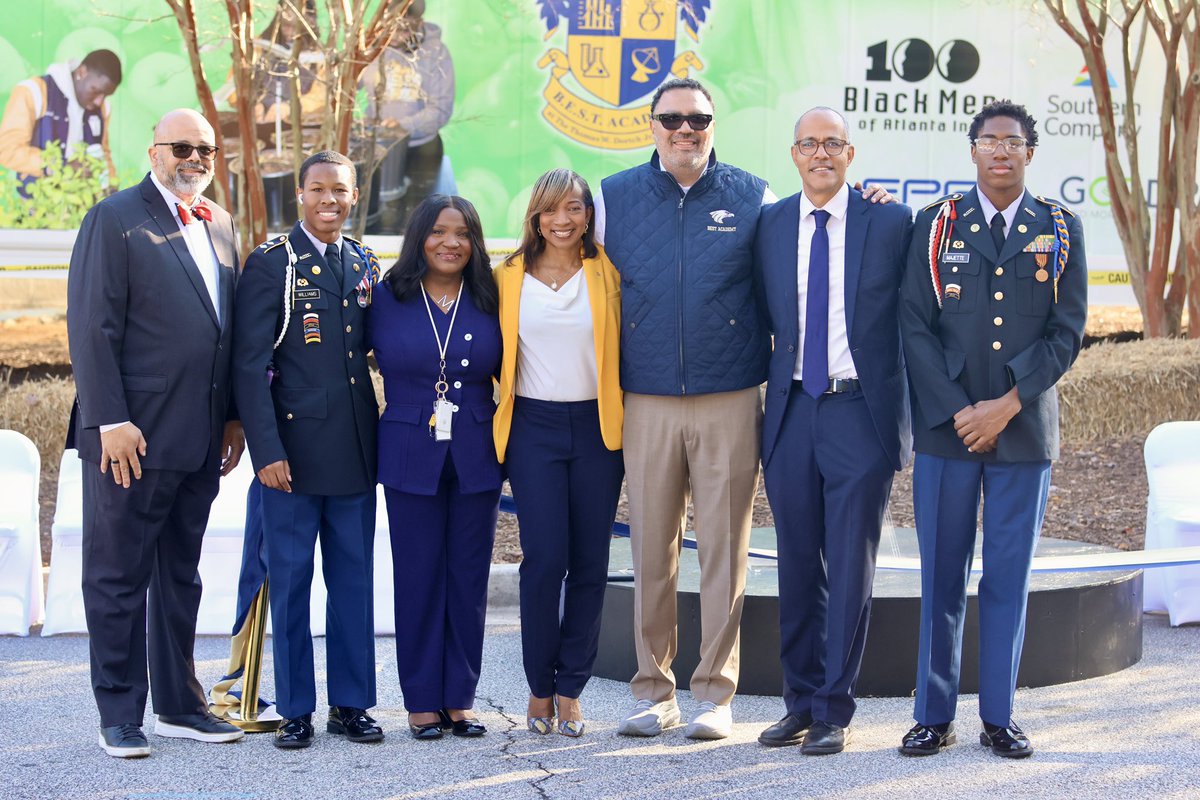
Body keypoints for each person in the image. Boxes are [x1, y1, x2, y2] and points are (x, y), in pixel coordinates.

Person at [898, 99, 1087, 758]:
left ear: (1030, 153)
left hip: (1023, 432)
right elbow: (914, 325)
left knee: (1007, 577)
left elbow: (1067, 331)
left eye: (1012, 141)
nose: (1000, 151)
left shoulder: (1059, 228)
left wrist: (1006, 404)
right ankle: (933, 714)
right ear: (972, 150)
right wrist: (961, 411)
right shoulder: (937, 225)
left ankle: (1000, 716)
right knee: (941, 576)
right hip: (947, 433)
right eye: (989, 140)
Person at [594, 76, 769, 740]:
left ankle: (716, 694)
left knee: (725, 548)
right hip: (647, 398)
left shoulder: (755, 196)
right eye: (672, 119)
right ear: (652, 126)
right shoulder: (612, 198)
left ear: (713, 126)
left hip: (729, 395)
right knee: (651, 548)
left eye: (698, 119)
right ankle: (653, 691)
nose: (685, 130)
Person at [66, 108, 244, 758]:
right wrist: (109, 420)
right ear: (155, 152)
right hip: (131, 441)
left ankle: (179, 705)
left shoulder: (219, 221)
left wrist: (232, 416)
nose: (194, 158)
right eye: (181, 147)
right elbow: (92, 326)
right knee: (116, 577)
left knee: (180, 577)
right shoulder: (114, 219)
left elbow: (224, 331)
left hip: (199, 439)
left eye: (205, 149)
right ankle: (119, 713)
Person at [753, 108, 912, 755]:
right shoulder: (770, 224)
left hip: (859, 412)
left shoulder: (891, 222)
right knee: (796, 563)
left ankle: (832, 710)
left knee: (849, 565)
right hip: (791, 411)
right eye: (809, 144)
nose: (820, 153)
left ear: (851, 153)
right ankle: (799, 701)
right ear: (794, 154)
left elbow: (917, 314)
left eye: (832, 144)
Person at [232, 150, 383, 750]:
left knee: (353, 585)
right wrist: (265, 451)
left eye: (340, 190)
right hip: (289, 459)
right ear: (300, 194)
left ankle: (351, 704)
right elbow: (249, 366)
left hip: (353, 449)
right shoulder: (274, 262)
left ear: (353, 196)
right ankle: (295, 708)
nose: (329, 200)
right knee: (291, 585)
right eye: (318, 189)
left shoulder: (362, 261)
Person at [366, 194, 502, 740]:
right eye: (439, 231)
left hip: (476, 448)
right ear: (419, 237)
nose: (451, 243)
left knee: (468, 577)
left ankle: (459, 700)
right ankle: (422, 701)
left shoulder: (492, 295)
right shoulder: (384, 297)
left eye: (463, 233)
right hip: (408, 449)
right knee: (418, 575)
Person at [493, 168, 623, 737]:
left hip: (597, 428)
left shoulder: (609, 271)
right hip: (533, 428)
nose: (562, 220)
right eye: (550, 209)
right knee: (545, 561)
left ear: (589, 215)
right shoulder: (507, 276)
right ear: (535, 216)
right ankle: (538, 686)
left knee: (591, 563)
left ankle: (571, 689)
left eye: (573, 208)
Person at [0, 49, 122, 195]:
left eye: (106, 95)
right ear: (82, 72)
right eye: (95, 91)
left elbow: (103, 154)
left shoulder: (103, 108)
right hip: (38, 201)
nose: (99, 101)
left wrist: (112, 190)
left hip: (83, 201)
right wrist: (60, 166)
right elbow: (7, 150)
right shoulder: (33, 91)